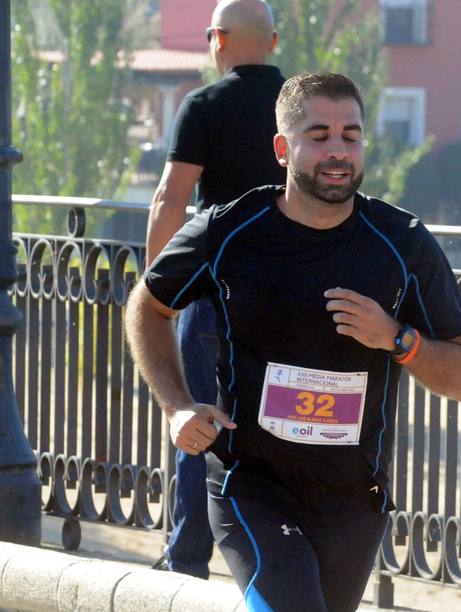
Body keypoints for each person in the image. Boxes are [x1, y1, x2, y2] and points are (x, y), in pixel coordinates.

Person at [125, 72, 461, 612]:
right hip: (252, 487)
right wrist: (178, 406)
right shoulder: (231, 228)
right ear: (285, 148)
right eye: (318, 136)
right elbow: (147, 308)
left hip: (350, 503)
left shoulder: (400, 244)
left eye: (350, 135)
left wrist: (399, 342)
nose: (337, 151)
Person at [147, 0, 286, 579]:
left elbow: (170, 199)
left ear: (218, 40)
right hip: (291, 287)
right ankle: (276, 558)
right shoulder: (301, 105)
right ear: (273, 43)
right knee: (284, 425)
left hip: (215, 290)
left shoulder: (203, 105)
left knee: (199, 418)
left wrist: (157, 293)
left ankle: (187, 560)